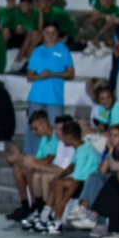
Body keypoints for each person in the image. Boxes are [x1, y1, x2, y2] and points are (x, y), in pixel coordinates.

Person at [25, 21, 74, 155]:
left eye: (53, 32)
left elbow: (70, 73)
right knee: (34, 130)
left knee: (56, 130)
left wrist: (53, 74)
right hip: (37, 96)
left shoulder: (63, 49)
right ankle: (33, 157)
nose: (50, 35)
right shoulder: (37, 51)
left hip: (54, 97)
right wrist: (40, 76)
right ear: (43, 33)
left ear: (57, 34)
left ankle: (55, 157)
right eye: (47, 32)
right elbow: (29, 75)